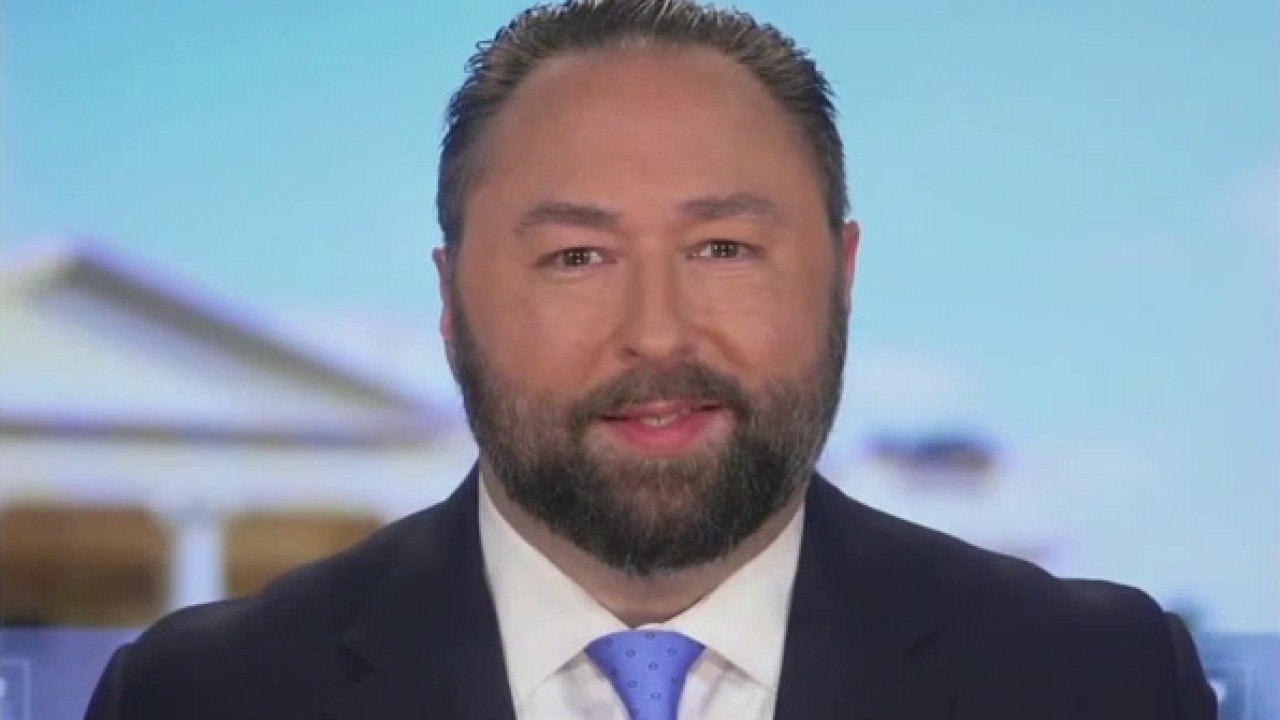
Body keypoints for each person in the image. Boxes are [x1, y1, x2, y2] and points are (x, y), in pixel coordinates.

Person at [85, 1, 1216, 718]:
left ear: (841, 274)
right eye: (576, 257)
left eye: (723, 248)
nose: (659, 332)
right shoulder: (202, 696)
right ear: (448, 300)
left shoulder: (1095, 681)